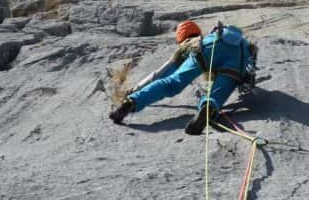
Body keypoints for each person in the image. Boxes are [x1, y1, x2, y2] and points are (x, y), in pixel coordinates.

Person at [109, 20, 255, 135]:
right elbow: (249, 73)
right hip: (237, 58)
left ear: (181, 38)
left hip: (206, 48)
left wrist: (134, 90)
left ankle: (132, 101)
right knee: (217, 94)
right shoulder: (243, 43)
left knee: (171, 83)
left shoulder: (192, 42)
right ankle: (208, 106)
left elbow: (159, 74)